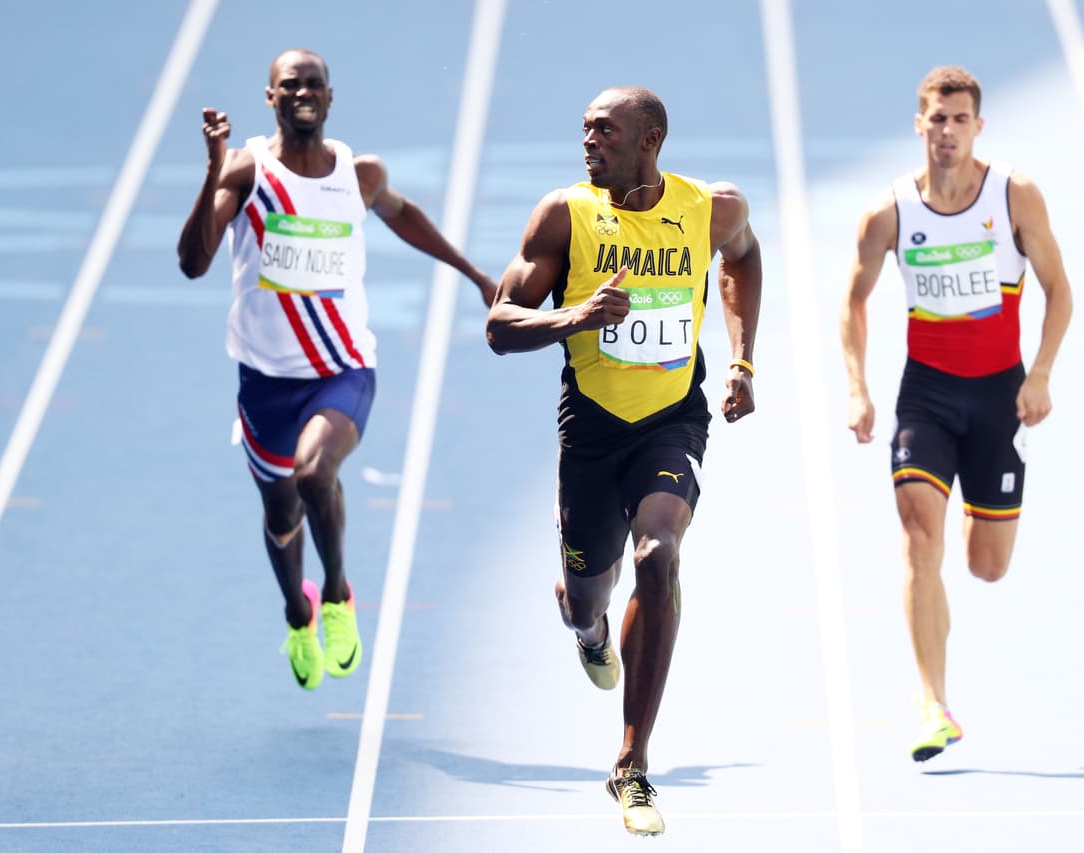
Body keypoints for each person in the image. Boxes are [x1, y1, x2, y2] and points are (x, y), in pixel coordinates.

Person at [486, 86, 761, 836]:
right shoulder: (564, 215)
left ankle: (631, 765)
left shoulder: (712, 208)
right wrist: (577, 316)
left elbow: (743, 257)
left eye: (604, 131)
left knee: (659, 553)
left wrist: (742, 363)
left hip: (672, 421)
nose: (588, 142)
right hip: (593, 430)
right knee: (585, 593)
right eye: (584, 130)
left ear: (651, 137)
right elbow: (499, 326)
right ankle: (588, 628)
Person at [177, 48, 496, 692]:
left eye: (313, 84)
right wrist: (212, 172)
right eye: (289, 84)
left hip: (342, 369)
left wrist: (474, 274)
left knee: (315, 472)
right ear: (270, 97)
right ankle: (298, 612)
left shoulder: (359, 173)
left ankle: (339, 595)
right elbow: (193, 262)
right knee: (279, 517)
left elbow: (403, 216)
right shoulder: (246, 173)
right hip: (265, 381)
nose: (302, 92)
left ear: (329, 96)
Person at [838, 65, 1073, 761]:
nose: (946, 131)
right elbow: (851, 301)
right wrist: (857, 388)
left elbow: (1060, 290)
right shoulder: (890, 213)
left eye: (958, 119)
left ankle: (976, 505)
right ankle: (931, 703)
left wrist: (1040, 373)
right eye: (935, 119)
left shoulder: (1014, 196)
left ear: (978, 126)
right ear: (920, 125)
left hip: (1000, 398)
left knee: (986, 566)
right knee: (918, 541)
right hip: (927, 399)